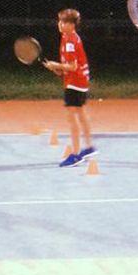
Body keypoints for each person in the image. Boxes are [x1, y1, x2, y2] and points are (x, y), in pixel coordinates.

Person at [43, 9, 97, 167]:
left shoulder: (70, 41)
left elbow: (72, 66)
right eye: (59, 21)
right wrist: (58, 68)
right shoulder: (68, 37)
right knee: (80, 113)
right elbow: (71, 66)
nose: (60, 24)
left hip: (75, 82)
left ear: (72, 25)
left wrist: (56, 65)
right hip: (80, 80)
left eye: (64, 22)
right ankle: (88, 147)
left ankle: (75, 155)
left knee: (72, 117)